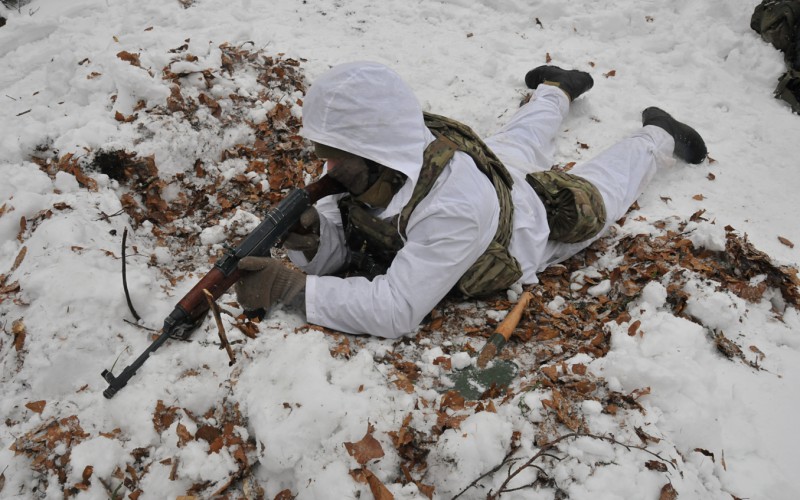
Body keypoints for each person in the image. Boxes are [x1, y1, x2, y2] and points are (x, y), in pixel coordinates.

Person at [234, 62, 707, 339]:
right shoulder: (368, 156)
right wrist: (314, 238)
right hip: (487, 172)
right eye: (326, 156)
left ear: (375, 152)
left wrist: (294, 291)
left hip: (526, 225)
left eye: (338, 160)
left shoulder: (452, 206)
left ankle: (658, 135)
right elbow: (359, 230)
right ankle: (557, 89)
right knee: (519, 140)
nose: (329, 171)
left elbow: (396, 309)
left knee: (600, 192)